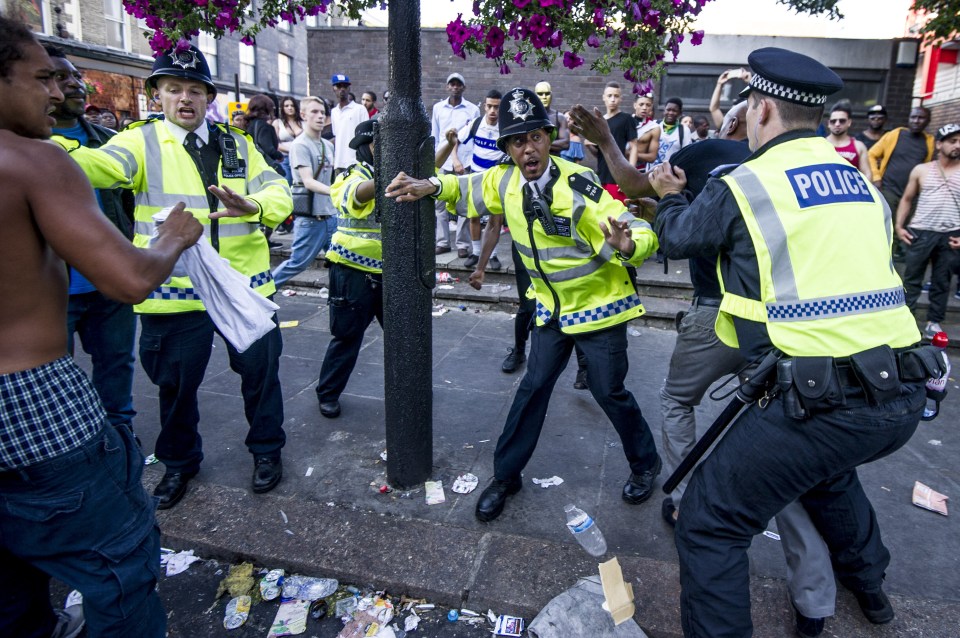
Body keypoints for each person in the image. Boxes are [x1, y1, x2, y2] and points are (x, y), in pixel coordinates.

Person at [649, 47, 932, 637]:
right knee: (830, 479)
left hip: (814, 401)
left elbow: (677, 238)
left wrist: (668, 191)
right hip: (901, 392)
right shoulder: (862, 185)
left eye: (750, 109)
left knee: (710, 520)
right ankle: (871, 587)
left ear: (762, 110)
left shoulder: (748, 184)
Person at [572, 99, 840, 637]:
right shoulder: (797, 172)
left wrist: (605, 140)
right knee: (778, 462)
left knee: (676, 401)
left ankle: (685, 494)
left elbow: (634, 184)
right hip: (781, 329)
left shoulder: (711, 155)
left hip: (718, 319)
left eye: (730, 115)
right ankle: (815, 601)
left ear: (743, 120)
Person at [0, 16, 202, 637]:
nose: (56, 93)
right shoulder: (32, 161)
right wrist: (171, 237)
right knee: (121, 561)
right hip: (32, 403)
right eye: (40, 79)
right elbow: (130, 279)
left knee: (10, 576)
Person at [386, 87, 663, 523]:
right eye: (517, 141)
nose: (528, 148)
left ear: (548, 139)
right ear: (508, 148)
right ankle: (506, 475)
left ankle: (645, 463)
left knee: (610, 392)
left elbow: (630, 227)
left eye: (535, 137)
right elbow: (468, 187)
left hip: (601, 309)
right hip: (552, 312)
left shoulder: (578, 184)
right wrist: (430, 185)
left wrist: (630, 244)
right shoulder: (505, 181)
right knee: (533, 389)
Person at [57, 44, 292, 510]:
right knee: (175, 388)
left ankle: (267, 452)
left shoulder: (237, 142)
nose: (185, 98)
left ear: (209, 98)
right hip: (175, 295)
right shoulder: (138, 142)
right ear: (157, 97)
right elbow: (94, 167)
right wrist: (33, 139)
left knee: (261, 379)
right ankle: (180, 463)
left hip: (243, 290)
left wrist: (259, 206)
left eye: (194, 90)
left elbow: (277, 187)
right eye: (173, 89)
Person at [46, 45, 139, 438]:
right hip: (54, 288)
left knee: (117, 367)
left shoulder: (109, 141)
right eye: (59, 77)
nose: (73, 85)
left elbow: (128, 206)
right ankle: (64, 447)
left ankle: (119, 439)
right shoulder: (23, 146)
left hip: (109, 284)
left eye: (76, 76)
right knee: (50, 377)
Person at [315, 120, 384, 419]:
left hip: (389, 274)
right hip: (352, 273)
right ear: (363, 149)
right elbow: (358, 195)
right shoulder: (350, 176)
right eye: (377, 146)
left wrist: (448, 144)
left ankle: (410, 388)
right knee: (346, 337)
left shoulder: (391, 174)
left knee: (403, 337)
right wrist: (392, 173)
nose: (382, 151)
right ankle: (327, 393)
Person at [896, 123, 960, 339]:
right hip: (920, 232)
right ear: (939, 144)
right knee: (912, 279)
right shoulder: (921, 170)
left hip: (950, 233)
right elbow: (906, 199)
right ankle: (906, 319)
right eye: (952, 141)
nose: (957, 145)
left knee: (942, 281)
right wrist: (899, 227)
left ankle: (934, 321)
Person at [271, 97, 338, 288]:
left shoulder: (328, 146)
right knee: (297, 263)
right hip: (311, 219)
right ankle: (261, 294)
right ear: (303, 115)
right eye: (314, 112)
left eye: (322, 113)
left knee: (341, 262)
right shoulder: (300, 145)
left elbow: (332, 177)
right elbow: (308, 181)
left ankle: (340, 300)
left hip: (331, 217)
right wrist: (337, 192)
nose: (319, 116)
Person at [437, 89, 506, 271]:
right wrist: (456, 159)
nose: (493, 111)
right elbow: (456, 141)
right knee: (473, 216)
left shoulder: (505, 127)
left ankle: (493, 254)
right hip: (476, 176)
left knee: (495, 219)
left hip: (496, 179)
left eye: (497, 107)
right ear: (484, 106)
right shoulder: (476, 124)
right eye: (489, 106)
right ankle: (475, 252)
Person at [432, 71, 480, 257]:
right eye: (451, 84)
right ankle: (443, 242)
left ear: (463, 87)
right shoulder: (438, 108)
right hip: (443, 161)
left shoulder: (472, 110)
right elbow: (435, 135)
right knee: (440, 203)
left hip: (464, 161)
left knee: (464, 203)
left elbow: (473, 138)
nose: (455, 87)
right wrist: (434, 160)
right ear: (447, 87)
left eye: (458, 84)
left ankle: (462, 244)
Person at [585, 81, 637, 202]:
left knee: (618, 216)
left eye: (616, 96)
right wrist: (588, 145)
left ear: (621, 98)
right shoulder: (600, 122)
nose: (613, 99)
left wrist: (630, 175)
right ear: (604, 97)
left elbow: (634, 147)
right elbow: (600, 153)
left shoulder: (626, 119)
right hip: (602, 176)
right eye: (609, 96)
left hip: (619, 177)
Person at [330, 73, 370, 174]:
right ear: (333, 88)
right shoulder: (334, 111)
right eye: (339, 86)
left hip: (355, 162)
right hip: (338, 162)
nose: (342, 89)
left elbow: (367, 136)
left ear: (349, 88)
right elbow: (336, 136)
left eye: (345, 86)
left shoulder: (360, 109)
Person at [825, 101, 872, 178]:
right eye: (833, 121)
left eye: (842, 121)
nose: (837, 124)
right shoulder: (820, 145)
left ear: (849, 122)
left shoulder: (859, 146)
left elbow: (867, 174)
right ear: (829, 123)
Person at [246, 94, 284, 173]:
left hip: (252, 165)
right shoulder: (265, 127)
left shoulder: (248, 124)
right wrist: (280, 156)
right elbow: (268, 149)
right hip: (264, 167)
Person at [650, 96, 692, 168]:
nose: (670, 113)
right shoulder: (653, 125)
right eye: (668, 110)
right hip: (651, 172)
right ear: (664, 111)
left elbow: (687, 154)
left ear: (680, 113)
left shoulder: (684, 130)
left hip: (671, 173)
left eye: (674, 111)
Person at [534, 81, 570, 156]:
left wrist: (538, 144)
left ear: (551, 95)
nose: (544, 97)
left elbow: (566, 143)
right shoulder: (528, 117)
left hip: (553, 160)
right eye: (540, 94)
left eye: (547, 94)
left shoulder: (560, 117)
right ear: (535, 96)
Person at [274, 96, 304, 183]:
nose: (290, 108)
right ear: (282, 108)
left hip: (300, 157)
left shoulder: (303, 122)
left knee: (301, 184)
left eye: (292, 105)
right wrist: (292, 150)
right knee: (287, 182)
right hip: (285, 158)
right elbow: (276, 144)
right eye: (286, 106)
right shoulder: (277, 123)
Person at [632, 94, 660, 168]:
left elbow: (652, 157)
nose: (644, 108)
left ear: (651, 107)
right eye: (641, 104)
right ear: (635, 105)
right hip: (617, 167)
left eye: (648, 105)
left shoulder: (654, 128)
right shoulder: (624, 122)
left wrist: (630, 153)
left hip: (638, 171)